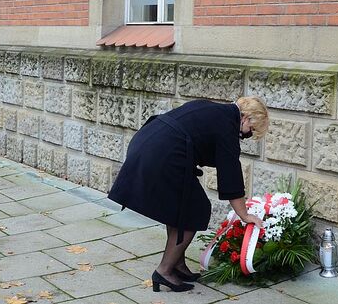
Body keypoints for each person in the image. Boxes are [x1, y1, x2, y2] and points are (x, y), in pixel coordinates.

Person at [107, 97, 270, 292]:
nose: (246, 136)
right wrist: (245, 215)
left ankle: (178, 265)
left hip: (148, 141)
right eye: (250, 131)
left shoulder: (214, 109)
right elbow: (231, 175)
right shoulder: (227, 125)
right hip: (163, 153)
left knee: (181, 205)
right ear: (245, 117)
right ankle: (164, 270)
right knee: (195, 209)